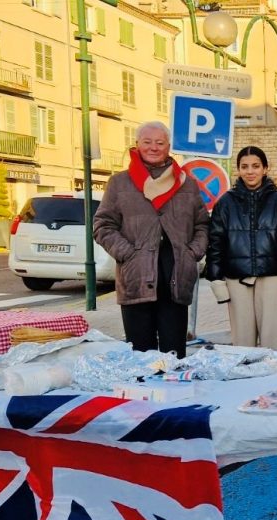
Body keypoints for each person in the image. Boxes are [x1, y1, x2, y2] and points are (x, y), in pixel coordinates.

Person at [93, 121, 210, 358]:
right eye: (147, 142)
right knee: (140, 357)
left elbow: (203, 225)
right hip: (136, 278)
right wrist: (127, 253)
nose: (153, 147)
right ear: (137, 145)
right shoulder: (120, 183)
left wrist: (192, 252)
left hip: (175, 277)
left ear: (168, 147)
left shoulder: (187, 184)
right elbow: (102, 225)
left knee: (174, 357)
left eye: (160, 142)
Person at [206, 146, 277, 351]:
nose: (250, 171)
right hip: (236, 278)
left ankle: (274, 382)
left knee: (272, 340)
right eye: (245, 166)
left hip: (272, 277)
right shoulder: (226, 203)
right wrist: (215, 277)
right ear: (238, 170)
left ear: (265, 168)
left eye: (256, 166)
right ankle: (243, 381)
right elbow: (215, 242)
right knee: (242, 342)